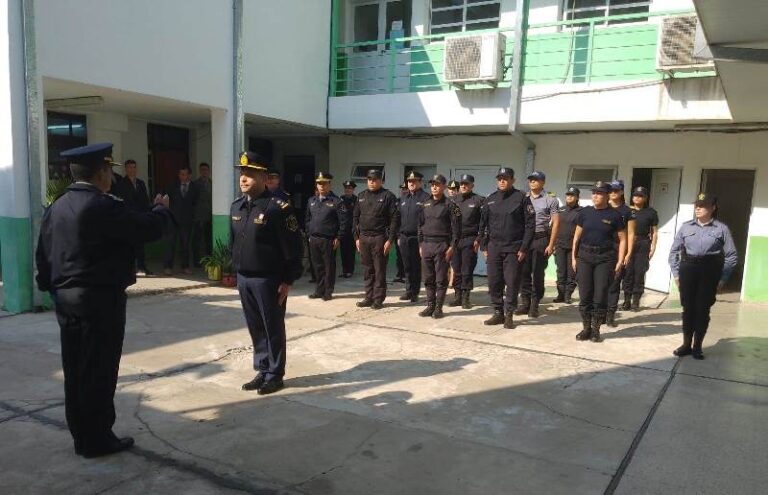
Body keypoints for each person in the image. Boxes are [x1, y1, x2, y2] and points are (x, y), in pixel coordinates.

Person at [35, 142, 173, 458]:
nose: (111, 177)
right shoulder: (101, 206)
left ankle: (82, 435)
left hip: (67, 301)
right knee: (99, 369)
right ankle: (98, 439)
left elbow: (43, 254)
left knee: (75, 368)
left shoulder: (56, 206)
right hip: (99, 301)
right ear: (101, 173)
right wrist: (162, 209)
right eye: (109, 171)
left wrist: (50, 287)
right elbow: (145, 228)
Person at [233, 152, 303, 394]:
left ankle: (275, 374)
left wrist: (287, 280)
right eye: (242, 173)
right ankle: (262, 369)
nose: (244, 178)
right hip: (244, 278)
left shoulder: (278, 208)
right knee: (255, 326)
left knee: (272, 326)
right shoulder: (237, 206)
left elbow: (293, 247)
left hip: (268, 279)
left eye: (250, 173)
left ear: (263, 177)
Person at [668, 193, 737, 360]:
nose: (698, 208)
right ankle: (686, 344)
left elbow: (731, 255)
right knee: (688, 309)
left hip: (709, 271)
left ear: (713, 208)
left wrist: (722, 278)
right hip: (688, 269)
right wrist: (676, 274)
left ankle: (697, 346)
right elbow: (674, 252)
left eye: (703, 205)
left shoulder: (721, 229)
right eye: (696, 205)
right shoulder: (686, 227)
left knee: (702, 310)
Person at [479, 167, 535, 329]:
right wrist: (484, 245)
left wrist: (524, 248)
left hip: (514, 247)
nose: (502, 181)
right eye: (500, 178)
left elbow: (530, 225)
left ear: (513, 180)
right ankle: (498, 312)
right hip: (494, 247)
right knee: (494, 281)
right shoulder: (490, 199)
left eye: (505, 178)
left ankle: (509, 314)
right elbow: (483, 224)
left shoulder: (521, 198)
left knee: (511, 282)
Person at [571, 181, 627, 343]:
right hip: (585, 257)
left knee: (600, 295)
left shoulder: (615, 215)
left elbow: (623, 240)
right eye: (594, 192)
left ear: (608, 195)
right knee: (585, 294)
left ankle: (596, 330)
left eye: (600, 193)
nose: (595, 195)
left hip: (605, 258)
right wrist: (574, 257)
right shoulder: (585, 213)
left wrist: (620, 260)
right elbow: (576, 237)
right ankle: (586, 328)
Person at [353, 169, 400, 309]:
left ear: (381, 181)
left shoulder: (388, 196)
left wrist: (389, 240)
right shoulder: (361, 196)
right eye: (369, 179)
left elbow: (394, 220)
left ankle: (378, 299)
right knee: (367, 269)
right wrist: (356, 238)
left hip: (379, 237)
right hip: (364, 237)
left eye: (374, 179)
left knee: (379, 270)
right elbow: (355, 218)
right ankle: (368, 297)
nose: (371, 182)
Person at [417, 175, 461, 319]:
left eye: (437, 184)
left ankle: (438, 308)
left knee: (441, 279)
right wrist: (420, 244)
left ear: (443, 186)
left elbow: (456, 229)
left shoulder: (450, 205)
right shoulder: (425, 204)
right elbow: (420, 226)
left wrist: (452, 247)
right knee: (428, 278)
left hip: (442, 245)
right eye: (432, 184)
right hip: (427, 245)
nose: (434, 187)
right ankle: (430, 305)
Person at [518, 171, 560, 318]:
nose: (532, 182)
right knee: (523, 273)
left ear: (543, 182)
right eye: (530, 180)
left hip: (540, 239)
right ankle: (525, 303)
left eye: (536, 180)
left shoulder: (550, 200)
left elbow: (555, 223)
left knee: (537, 273)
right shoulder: (523, 198)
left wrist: (551, 244)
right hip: (524, 240)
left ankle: (535, 305)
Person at [305, 172, 346, 300]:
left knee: (328, 266)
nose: (321, 186)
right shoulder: (311, 201)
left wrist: (338, 237)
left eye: (324, 184)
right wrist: (309, 234)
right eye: (319, 184)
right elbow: (307, 219)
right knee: (317, 266)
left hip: (328, 239)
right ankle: (319, 289)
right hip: (314, 239)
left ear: (329, 185)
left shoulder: (336, 201)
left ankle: (328, 291)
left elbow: (343, 221)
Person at [448, 174, 485, 309]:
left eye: (466, 184)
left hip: (470, 239)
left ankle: (465, 298)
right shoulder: (452, 200)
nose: (463, 186)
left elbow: (483, 222)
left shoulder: (479, 200)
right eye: (462, 184)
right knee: (456, 268)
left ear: (472, 186)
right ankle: (457, 296)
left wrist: (479, 238)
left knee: (467, 269)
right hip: (455, 240)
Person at [623, 186, 658, 311]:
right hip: (628, 243)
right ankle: (626, 301)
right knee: (628, 273)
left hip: (643, 243)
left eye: (640, 196)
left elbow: (654, 232)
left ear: (645, 198)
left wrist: (653, 247)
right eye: (635, 195)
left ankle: (635, 302)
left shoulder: (651, 212)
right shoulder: (627, 211)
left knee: (639, 272)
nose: (637, 198)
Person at [606, 179, 635, 326]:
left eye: (615, 191)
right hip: (602, 249)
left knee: (614, 283)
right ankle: (600, 313)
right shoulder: (602, 207)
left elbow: (630, 234)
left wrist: (628, 253)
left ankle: (610, 315)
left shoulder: (627, 211)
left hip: (619, 249)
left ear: (622, 192)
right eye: (610, 190)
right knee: (600, 283)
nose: (612, 193)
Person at [117, 159, 153, 275]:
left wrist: (146, 215)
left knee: (140, 244)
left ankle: (142, 267)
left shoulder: (141, 183)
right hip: (128, 218)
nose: (132, 170)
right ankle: (131, 268)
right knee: (129, 244)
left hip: (140, 217)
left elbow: (145, 201)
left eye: (134, 167)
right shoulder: (121, 184)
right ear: (126, 169)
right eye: (129, 167)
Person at [398, 171, 430, 302]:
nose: (411, 183)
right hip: (404, 237)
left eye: (414, 181)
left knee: (416, 266)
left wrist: (423, 239)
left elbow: (427, 220)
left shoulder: (425, 198)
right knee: (406, 266)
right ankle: (408, 290)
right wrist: (398, 235)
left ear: (420, 182)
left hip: (417, 238)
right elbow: (398, 218)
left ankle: (415, 292)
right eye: (409, 181)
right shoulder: (404, 198)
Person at [164, 166, 199, 275]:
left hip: (187, 220)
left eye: (185, 174)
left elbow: (196, 203)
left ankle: (185, 266)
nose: (182, 177)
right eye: (181, 174)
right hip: (173, 219)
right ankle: (168, 266)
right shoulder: (172, 186)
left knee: (185, 244)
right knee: (171, 243)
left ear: (189, 175)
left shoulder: (194, 187)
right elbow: (165, 196)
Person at [553, 187, 583, 304]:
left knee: (571, 272)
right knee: (561, 271)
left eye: (572, 195)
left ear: (577, 197)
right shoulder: (560, 210)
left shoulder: (581, 212)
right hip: (560, 245)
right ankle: (560, 294)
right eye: (568, 195)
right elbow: (554, 227)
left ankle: (567, 295)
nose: (569, 197)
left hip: (573, 247)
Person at [193, 162, 213, 265]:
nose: (204, 172)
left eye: (206, 170)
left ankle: (209, 259)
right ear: (200, 171)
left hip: (210, 215)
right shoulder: (195, 184)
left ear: (209, 171)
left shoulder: (212, 184)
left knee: (208, 239)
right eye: (202, 170)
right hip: (199, 216)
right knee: (198, 239)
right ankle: (196, 260)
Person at [339, 180, 358, 278]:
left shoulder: (356, 200)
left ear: (353, 189)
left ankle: (350, 270)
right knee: (343, 251)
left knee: (350, 251)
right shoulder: (340, 199)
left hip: (352, 230)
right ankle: (344, 270)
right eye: (346, 188)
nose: (347, 190)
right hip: (342, 229)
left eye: (350, 188)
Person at [393, 181, 408, 283]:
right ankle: (400, 275)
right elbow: (395, 219)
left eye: (405, 189)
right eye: (402, 189)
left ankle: (407, 276)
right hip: (399, 233)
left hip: (409, 234)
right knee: (399, 256)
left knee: (408, 257)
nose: (403, 191)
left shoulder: (414, 201)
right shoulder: (397, 201)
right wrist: (397, 235)